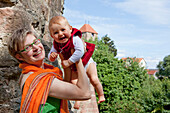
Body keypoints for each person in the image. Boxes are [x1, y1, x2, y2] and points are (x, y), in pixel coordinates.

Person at [7, 21, 91, 113]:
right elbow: (85, 93)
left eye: (36, 42)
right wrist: (77, 58)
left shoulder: (34, 73)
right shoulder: (39, 79)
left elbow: (64, 88)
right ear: (19, 57)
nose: (35, 47)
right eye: (28, 47)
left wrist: (66, 66)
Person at [48, 16, 105, 109]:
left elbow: (80, 51)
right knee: (74, 82)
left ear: (70, 29)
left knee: (94, 79)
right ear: (52, 36)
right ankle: (77, 101)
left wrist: (69, 62)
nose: (60, 34)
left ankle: (101, 95)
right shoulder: (56, 44)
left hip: (86, 61)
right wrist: (51, 57)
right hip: (75, 66)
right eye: (56, 32)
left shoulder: (75, 38)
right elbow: (51, 53)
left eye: (63, 30)